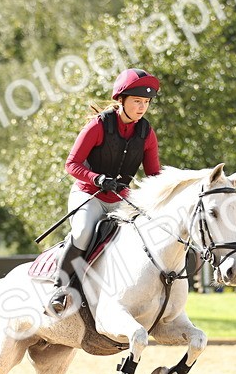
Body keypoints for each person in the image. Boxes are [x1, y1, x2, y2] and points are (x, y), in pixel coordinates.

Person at [47, 68, 163, 314]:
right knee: (82, 232)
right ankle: (60, 288)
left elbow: (154, 175)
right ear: (120, 100)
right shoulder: (98, 126)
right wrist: (97, 178)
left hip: (122, 199)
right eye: (137, 101)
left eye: (146, 102)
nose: (142, 107)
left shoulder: (146, 133)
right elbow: (71, 164)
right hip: (89, 194)